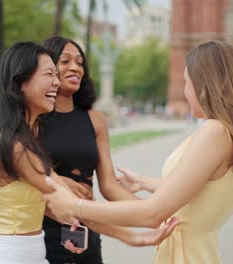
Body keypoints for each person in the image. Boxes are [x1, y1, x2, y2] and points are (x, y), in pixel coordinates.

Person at [43, 40, 233, 264]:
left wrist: (74, 207)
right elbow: (202, 192)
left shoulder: (214, 132)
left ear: (205, 83)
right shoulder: (231, 133)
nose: (185, 91)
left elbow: (152, 213)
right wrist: (146, 182)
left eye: (187, 82)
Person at [0, 41, 176, 264]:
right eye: (50, 74)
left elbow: (64, 208)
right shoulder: (15, 145)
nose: (56, 82)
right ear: (21, 82)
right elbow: (71, 204)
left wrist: (76, 221)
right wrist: (135, 233)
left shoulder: (24, 139)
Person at [39, 36, 140, 264]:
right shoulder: (34, 117)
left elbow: (110, 185)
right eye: (65, 61)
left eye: (79, 62)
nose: (75, 67)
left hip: (87, 231)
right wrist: (62, 183)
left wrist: (154, 211)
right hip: (43, 233)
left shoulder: (95, 119)